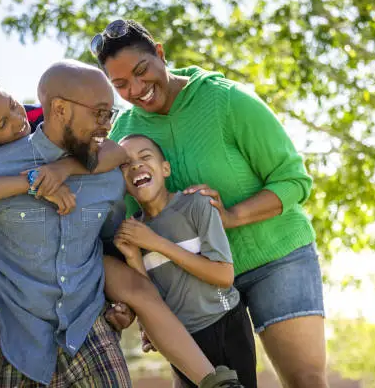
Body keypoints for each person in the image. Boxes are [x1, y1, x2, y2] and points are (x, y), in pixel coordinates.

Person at [0, 61, 243, 387]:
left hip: (85, 326)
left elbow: (107, 241)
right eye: (99, 114)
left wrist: (121, 304)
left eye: (110, 114)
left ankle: (216, 382)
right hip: (13, 334)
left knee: (138, 290)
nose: (106, 125)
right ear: (59, 109)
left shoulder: (107, 177)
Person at [95, 19, 328, 388]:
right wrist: (142, 305)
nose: (137, 90)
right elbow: (122, 222)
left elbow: (293, 180)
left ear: (160, 53)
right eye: (121, 84)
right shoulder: (124, 136)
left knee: (305, 379)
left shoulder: (227, 100)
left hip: (274, 257)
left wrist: (233, 216)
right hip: (196, 284)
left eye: (142, 72)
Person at [114, 134, 257, 388]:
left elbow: (223, 276)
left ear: (165, 168)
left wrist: (156, 243)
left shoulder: (196, 205)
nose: (135, 165)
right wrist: (135, 258)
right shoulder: (133, 232)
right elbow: (150, 300)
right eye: (125, 164)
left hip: (225, 324)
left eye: (145, 157)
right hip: (182, 342)